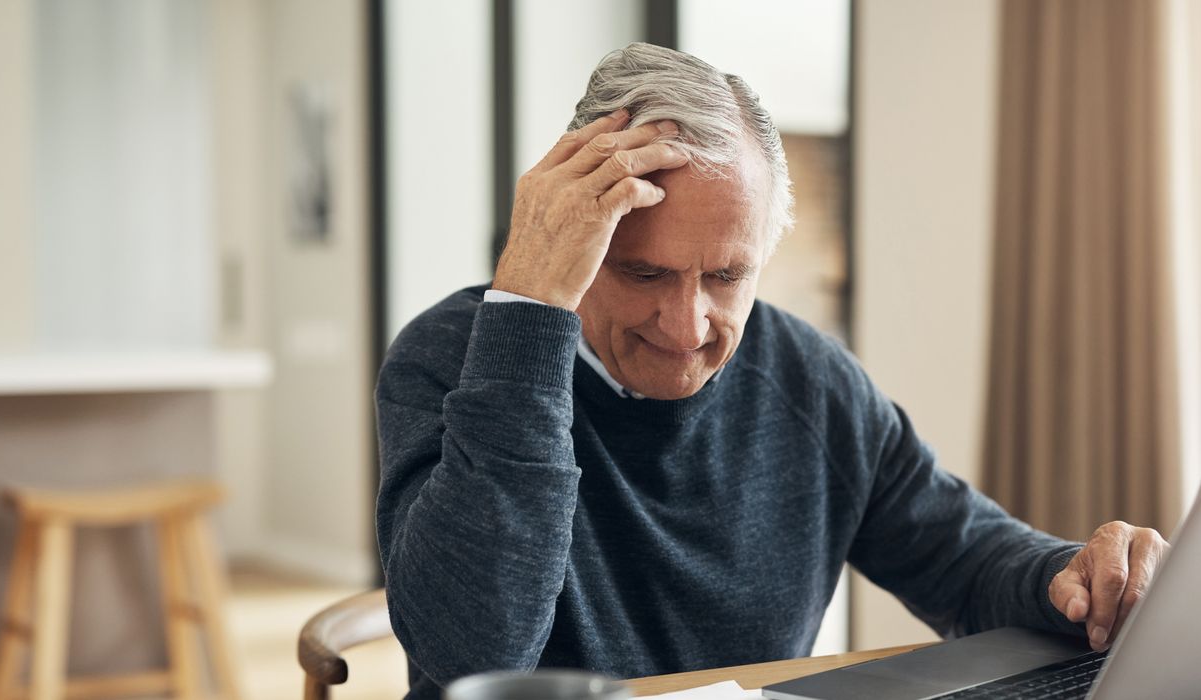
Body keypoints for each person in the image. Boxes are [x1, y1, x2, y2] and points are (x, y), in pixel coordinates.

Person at [375, 43, 1168, 700]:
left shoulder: (807, 377)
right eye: (642, 274)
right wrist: (529, 309)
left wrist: (1074, 576)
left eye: (725, 277)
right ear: (570, 238)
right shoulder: (454, 358)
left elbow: (961, 558)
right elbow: (475, 655)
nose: (686, 329)